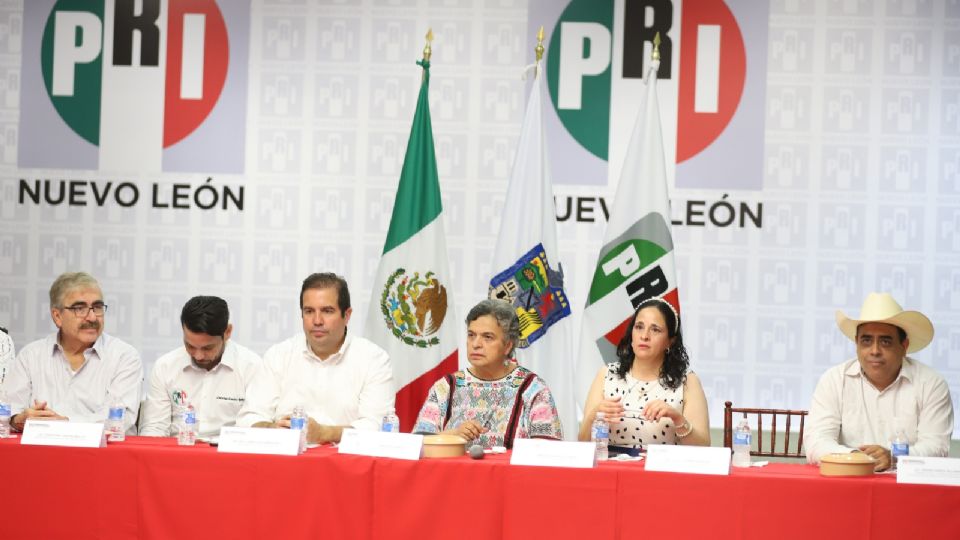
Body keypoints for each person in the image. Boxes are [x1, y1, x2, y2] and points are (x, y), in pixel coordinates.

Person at [237, 272, 393, 443]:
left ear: (347, 315)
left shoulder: (374, 359)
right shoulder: (278, 355)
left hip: (346, 465)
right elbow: (248, 419)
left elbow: (378, 426)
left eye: (327, 311)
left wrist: (325, 433)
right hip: (287, 462)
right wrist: (272, 429)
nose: (317, 321)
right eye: (309, 311)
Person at [804, 292, 953, 471]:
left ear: (904, 347)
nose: (874, 350)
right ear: (857, 344)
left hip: (906, 488)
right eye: (866, 341)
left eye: (885, 341)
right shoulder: (834, 379)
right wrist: (856, 458)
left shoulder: (931, 384)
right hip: (850, 481)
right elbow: (816, 442)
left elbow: (937, 447)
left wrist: (894, 458)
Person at [3, 272, 142, 433]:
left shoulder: (124, 357)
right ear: (57, 317)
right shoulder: (31, 356)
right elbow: (8, 410)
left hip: (103, 455)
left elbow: (119, 420)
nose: (92, 317)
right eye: (80, 308)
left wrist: (65, 424)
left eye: (97, 307)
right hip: (42, 454)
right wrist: (18, 420)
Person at [413, 299, 562, 448]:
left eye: (487, 337)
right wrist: (454, 434)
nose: (476, 344)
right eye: (471, 335)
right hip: (453, 472)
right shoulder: (445, 387)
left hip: (510, 472)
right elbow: (415, 445)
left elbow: (548, 453)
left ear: (508, 346)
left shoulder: (533, 390)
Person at [579, 297, 710, 453]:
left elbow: (703, 447)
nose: (644, 336)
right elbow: (582, 441)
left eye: (655, 329)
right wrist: (595, 414)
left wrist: (677, 419)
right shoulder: (607, 374)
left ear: (671, 341)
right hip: (610, 469)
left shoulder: (687, 381)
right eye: (639, 327)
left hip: (661, 471)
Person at [140, 296, 262, 438]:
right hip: (178, 451)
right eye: (190, 346)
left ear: (227, 332)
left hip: (227, 453)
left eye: (208, 348)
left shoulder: (251, 367)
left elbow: (253, 426)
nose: (198, 356)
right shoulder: (165, 366)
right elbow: (155, 427)